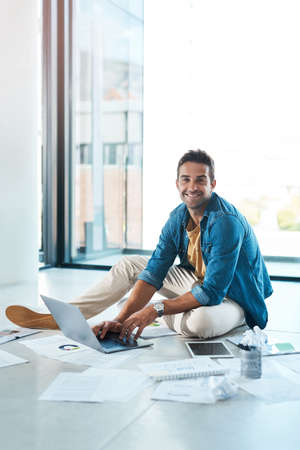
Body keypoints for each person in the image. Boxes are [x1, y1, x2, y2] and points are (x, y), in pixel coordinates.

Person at [6, 150, 273, 342]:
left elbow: (213, 292)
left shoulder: (226, 223)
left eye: (200, 180)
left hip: (235, 297)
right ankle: (66, 315)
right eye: (186, 179)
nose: (192, 187)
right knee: (129, 265)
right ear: (177, 183)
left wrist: (154, 309)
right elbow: (155, 270)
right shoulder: (177, 217)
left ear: (212, 184)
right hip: (196, 283)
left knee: (201, 322)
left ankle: (158, 309)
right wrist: (121, 321)